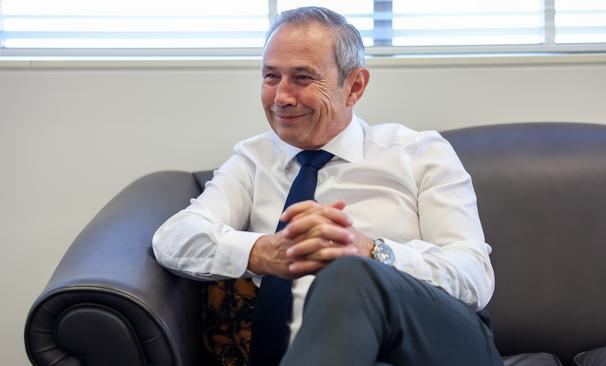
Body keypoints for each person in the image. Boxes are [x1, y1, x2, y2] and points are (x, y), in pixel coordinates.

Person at [152, 6, 503, 366]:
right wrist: (263, 252)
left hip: (435, 347)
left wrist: (372, 254)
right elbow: (174, 237)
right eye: (271, 77)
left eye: (302, 78)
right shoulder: (253, 160)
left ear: (354, 86)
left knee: (351, 274)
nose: (281, 97)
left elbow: (473, 277)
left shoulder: (419, 153)